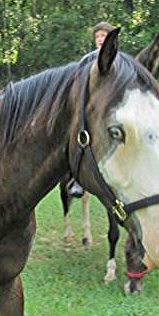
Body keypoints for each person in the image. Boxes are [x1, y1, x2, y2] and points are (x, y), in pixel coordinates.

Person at [66, 21, 115, 198]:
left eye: (104, 35)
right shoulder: (87, 60)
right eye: (98, 36)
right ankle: (78, 179)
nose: (100, 39)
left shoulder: (119, 61)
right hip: (91, 108)